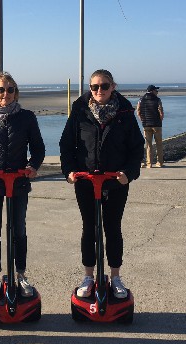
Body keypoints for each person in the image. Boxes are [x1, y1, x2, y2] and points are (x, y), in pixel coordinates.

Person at [59, 69, 144, 299]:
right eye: (94, 87)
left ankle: (115, 277)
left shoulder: (125, 112)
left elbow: (137, 148)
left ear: (113, 86)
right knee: (90, 228)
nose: (99, 91)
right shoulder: (80, 111)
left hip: (115, 182)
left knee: (112, 228)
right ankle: (88, 276)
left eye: (104, 86)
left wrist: (129, 173)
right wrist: (69, 172)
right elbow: (66, 145)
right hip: (86, 182)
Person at [0, 71, 45, 300]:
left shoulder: (27, 117)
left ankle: (20, 274)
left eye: (10, 89)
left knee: (18, 229)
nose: (6, 94)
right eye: (1, 89)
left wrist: (32, 166)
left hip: (18, 181)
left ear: (16, 92)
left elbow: (38, 148)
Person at [136, 84, 164, 168]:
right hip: (156, 125)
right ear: (152, 91)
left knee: (148, 145)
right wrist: (160, 120)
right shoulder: (157, 100)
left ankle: (149, 163)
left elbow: (138, 112)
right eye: (156, 91)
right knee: (159, 144)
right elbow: (161, 113)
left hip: (146, 125)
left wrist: (142, 120)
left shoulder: (141, 100)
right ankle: (159, 162)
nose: (157, 92)